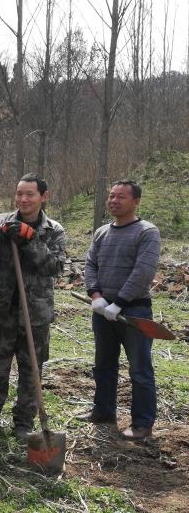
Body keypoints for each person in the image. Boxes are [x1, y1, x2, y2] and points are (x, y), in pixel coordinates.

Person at [0, 173, 66, 441]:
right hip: (1, 309)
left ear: (44, 197)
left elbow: (53, 267)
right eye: (19, 193)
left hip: (35, 313)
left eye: (30, 194)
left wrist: (31, 240)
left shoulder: (53, 230)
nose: (23, 199)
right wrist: (0, 234)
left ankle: (23, 422)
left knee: (31, 369)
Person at [80, 180, 161, 440]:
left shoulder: (147, 232)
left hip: (134, 312)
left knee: (139, 369)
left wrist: (120, 303)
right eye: (111, 196)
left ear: (136, 201)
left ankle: (142, 423)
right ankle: (104, 410)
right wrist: (96, 295)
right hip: (103, 311)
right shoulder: (102, 232)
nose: (114, 201)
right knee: (103, 364)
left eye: (121, 197)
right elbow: (90, 264)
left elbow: (143, 271)